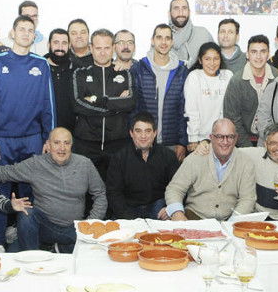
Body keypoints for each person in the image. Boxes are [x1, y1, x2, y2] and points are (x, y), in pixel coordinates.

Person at [0, 15, 56, 253]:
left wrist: (49, 139)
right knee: (0, 194)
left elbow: (48, 105)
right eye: (21, 29)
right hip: (2, 140)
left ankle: (28, 244)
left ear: (35, 36)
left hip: (32, 139)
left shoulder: (41, 64)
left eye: (30, 30)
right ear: (12, 33)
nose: (25, 33)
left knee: (31, 194)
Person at [0, 128, 105, 253]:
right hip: (44, 227)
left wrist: (90, 223)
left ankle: (61, 247)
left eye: (66, 143)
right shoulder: (36, 164)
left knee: (96, 253)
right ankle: (34, 257)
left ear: (71, 145)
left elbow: (100, 194)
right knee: (26, 213)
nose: (62, 148)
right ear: (48, 145)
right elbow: (5, 172)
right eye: (57, 143)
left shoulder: (85, 164)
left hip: (74, 229)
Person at [72, 29, 136, 179]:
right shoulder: (79, 74)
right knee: (86, 191)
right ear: (91, 48)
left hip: (117, 143)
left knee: (115, 189)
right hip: (86, 143)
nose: (102, 52)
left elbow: (130, 102)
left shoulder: (124, 73)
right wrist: (115, 106)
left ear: (113, 48)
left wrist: (99, 100)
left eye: (106, 48)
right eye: (98, 48)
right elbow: (77, 104)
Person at [164, 119, 256, 221]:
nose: (225, 142)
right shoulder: (195, 158)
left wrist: (233, 223)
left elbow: (247, 199)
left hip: (229, 220)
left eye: (230, 137)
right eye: (220, 137)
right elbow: (175, 189)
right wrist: (177, 212)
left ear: (236, 138)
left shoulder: (246, 163)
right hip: (194, 218)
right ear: (211, 138)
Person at [131, 24, 189, 161]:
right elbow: (133, 109)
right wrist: (135, 138)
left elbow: (185, 109)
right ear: (152, 40)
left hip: (173, 144)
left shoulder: (181, 71)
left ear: (172, 42)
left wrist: (182, 142)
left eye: (168, 38)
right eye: (159, 38)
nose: (163, 42)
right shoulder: (139, 69)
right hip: (144, 142)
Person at [106, 112, 180, 219]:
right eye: (138, 131)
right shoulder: (119, 157)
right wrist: (128, 217)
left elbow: (177, 187)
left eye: (148, 131)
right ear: (131, 133)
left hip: (159, 207)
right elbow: (114, 193)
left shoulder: (168, 156)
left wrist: (169, 207)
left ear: (155, 133)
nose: (143, 136)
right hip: (127, 208)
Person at [224, 34, 277, 147]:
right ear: (247, 54)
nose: (258, 56)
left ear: (268, 54)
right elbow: (233, 119)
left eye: (263, 51)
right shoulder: (236, 81)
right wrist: (248, 148)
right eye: (254, 52)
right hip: (244, 141)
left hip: (273, 141)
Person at [185, 42, 233, 150]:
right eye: (207, 59)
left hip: (222, 138)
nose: (212, 63)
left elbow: (227, 111)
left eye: (216, 58)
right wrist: (193, 139)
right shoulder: (194, 77)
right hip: (199, 140)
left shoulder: (228, 76)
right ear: (200, 60)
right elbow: (191, 111)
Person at [45, 29, 75, 131]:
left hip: (71, 134)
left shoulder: (77, 69)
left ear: (69, 45)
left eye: (64, 43)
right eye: (56, 43)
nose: (60, 48)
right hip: (43, 134)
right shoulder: (38, 68)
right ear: (48, 44)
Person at [169, 0, 214, 65]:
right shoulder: (162, 38)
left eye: (184, 8)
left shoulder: (203, 34)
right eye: (176, 8)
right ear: (170, 13)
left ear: (189, 12)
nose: (180, 13)